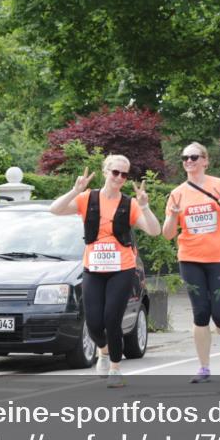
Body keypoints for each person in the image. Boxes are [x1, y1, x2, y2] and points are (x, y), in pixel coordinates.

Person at [49, 155, 161, 388]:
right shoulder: (87, 198)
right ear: (105, 172)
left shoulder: (129, 204)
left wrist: (145, 207)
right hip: (94, 267)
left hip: (122, 268)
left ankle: (115, 368)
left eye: (124, 174)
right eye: (115, 173)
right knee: (93, 323)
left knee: (112, 319)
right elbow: (55, 210)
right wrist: (74, 190)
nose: (119, 178)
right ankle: (103, 351)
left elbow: (154, 231)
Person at [162, 142, 220, 383]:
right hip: (190, 258)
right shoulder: (177, 193)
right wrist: (173, 215)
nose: (189, 161)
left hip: (219, 257)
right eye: (185, 158)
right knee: (201, 313)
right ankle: (204, 367)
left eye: (194, 157)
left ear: (205, 161)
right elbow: (168, 234)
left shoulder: (219, 185)